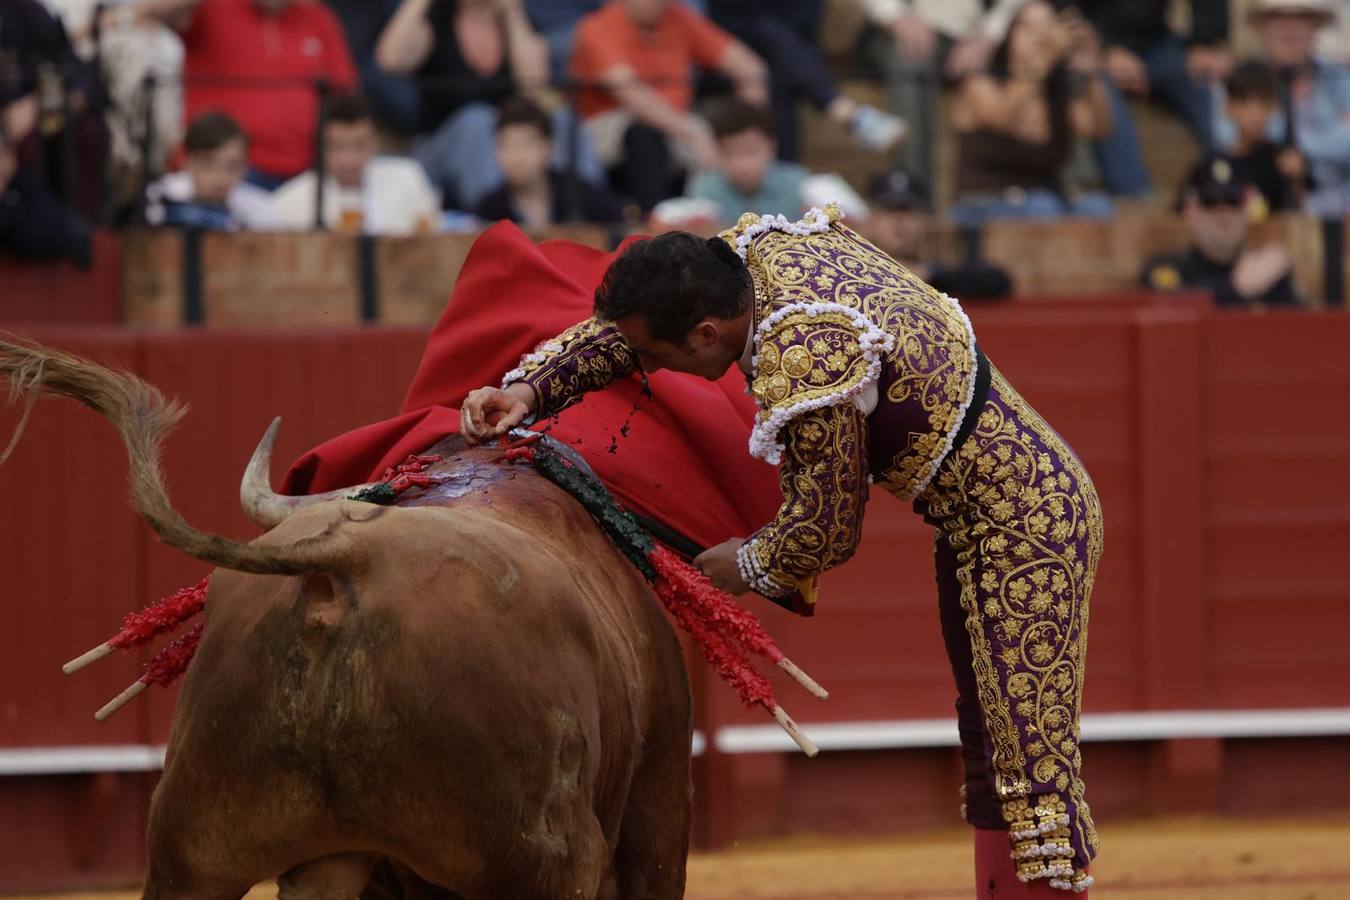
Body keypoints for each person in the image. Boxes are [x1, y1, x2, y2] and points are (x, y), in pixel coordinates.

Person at [460, 203, 1102, 897]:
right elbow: (630, 335)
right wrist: (533, 389)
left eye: (656, 359)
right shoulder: (750, 258)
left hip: (1028, 527)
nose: (643, 368)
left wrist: (743, 564)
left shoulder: (807, 353)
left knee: (1031, 768)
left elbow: (826, 529)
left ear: (707, 336)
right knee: (991, 751)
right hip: (979, 520)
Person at [376, 0, 603, 210]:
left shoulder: (513, 20)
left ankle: (588, 214)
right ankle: (493, 218)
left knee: (562, 119)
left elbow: (534, 86)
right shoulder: (437, 19)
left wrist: (513, 14)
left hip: (507, 141)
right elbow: (391, 61)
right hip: (441, 146)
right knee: (477, 121)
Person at [123, 0, 358, 189]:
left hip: (303, 177)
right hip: (221, 175)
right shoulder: (208, 9)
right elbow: (143, 12)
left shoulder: (317, 16)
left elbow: (346, 99)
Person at [568, 0, 769, 212]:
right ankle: (653, 223)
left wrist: (746, 125)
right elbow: (632, 94)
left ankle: (717, 221)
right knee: (645, 135)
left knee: (718, 139)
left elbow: (750, 67)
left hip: (678, 123)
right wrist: (691, 132)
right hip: (612, 126)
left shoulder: (679, 17)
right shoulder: (597, 27)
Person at [949, 1, 1114, 227]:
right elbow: (1000, 118)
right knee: (1043, 206)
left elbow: (1099, 128)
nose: (1041, 37)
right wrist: (1041, 64)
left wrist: (1092, 72)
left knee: (1098, 207)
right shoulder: (981, 82)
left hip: (1045, 201)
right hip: (983, 203)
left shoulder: (1056, 92)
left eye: (1047, 27)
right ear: (1009, 35)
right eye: (1029, 28)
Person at [705, 1, 906, 162]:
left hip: (785, 54)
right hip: (725, 43)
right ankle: (847, 112)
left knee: (781, 78)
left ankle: (781, 186)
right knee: (771, 33)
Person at [854, 0, 1025, 187]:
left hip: (972, 35)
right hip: (898, 29)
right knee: (911, 59)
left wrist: (989, 34)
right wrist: (895, 16)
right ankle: (912, 194)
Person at [1066, 0, 1228, 195]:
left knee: (1206, 86)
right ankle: (1135, 197)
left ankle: (1231, 184)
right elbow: (1063, 9)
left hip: (1157, 41)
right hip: (1095, 46)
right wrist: (1106, 48)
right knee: (1108, 106)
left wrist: (1204, 42)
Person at [1214, 0, 1350, 218]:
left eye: (1301, 18)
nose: (1291, 29)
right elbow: (1227, 135)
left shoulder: (1341, 79)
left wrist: (1301, 150)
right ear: (1262, 28)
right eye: (1280, 18)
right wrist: (1331, 137)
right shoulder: (1241, 79)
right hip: (1265, 212)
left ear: (1316, 27)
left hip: (1341, 213)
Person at [1140, 155, 1302, 308]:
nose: (1222, 211)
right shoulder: (1165, 270)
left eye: (1233, 200)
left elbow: (1303, 329)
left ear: (1246, 210)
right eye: (1209, 201)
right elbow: (1169, 314)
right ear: (1189, 211)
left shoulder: (1265, 270)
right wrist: (1236, 289)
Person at [272, 94, 439, 234]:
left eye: (360, 145)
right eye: (337, 147)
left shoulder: (408, 177)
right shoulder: (290, 201)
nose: (349, 159)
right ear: (320, 148)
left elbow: (431, 236)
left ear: (375, 143)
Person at [472, 95, 625, 227]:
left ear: (547, 148)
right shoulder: (487, 211)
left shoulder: (577, 192)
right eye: (506, 145)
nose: (516, 157)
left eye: (526, 145)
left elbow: (620, 220)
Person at [863, 170, 1012, 300]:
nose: (899, 221)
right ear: (872, 220)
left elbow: (999, 283)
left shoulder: (939, 278)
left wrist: (929, 276)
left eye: (907, 211)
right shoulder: (856, 273)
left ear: (925, 220)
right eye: (889, 211)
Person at [145, 110, 278, 230]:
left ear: (245, 167)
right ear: (188, 163)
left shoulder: (262, 211)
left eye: (232, 166)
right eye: (209, 164)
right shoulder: (157, 200)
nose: (221, 177)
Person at [685, 98, 808, 225]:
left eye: (751, 151)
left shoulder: (799, 185)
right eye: (730, 153)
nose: (741, 164)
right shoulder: (704, 189)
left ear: (772, 146)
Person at [1221, 61, 1305, 212]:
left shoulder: (1281, 162)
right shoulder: (1212, 165)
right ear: (1228, 107)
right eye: (1245, 102)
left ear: (1274, 108)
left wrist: (1298, 180)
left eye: (1264, 103)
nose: (1256, 114)